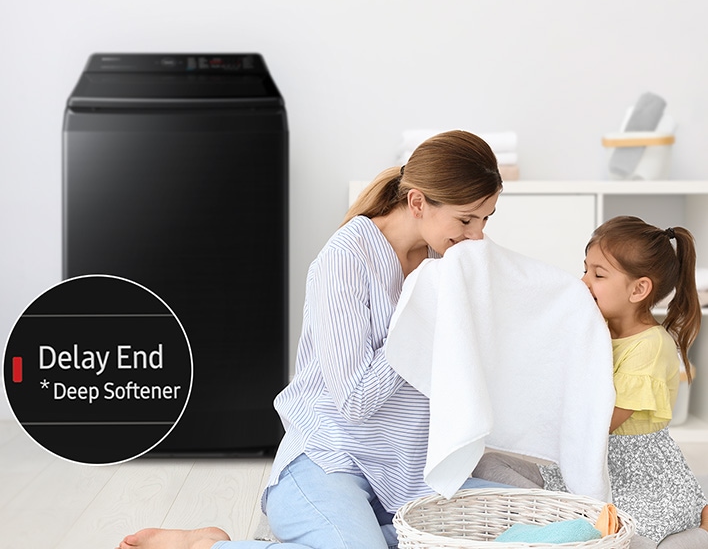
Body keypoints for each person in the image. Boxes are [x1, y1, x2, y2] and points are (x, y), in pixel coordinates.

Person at [116, 130, 506, 549]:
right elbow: (355, 399)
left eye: (486, 219)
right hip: (329, 460)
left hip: (410, 472)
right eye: (466, 220)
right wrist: (422, 320)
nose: (477, 236)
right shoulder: (346, 259)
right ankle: (204, 547)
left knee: (512, 531)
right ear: (417, 203)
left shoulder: (443, 261)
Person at [473, 215, 708, 548]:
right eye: (584, 269)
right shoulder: (599, 330)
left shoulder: (651, 345)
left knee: (631, 540)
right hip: (588, 461)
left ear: (639, 289)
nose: (583, 282)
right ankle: (559, 512)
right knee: (484, 461)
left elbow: (603, 422)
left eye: (598, 275)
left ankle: (694, 532)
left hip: (637, 476)